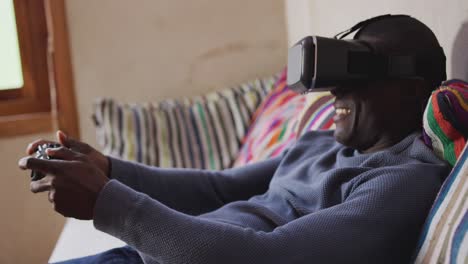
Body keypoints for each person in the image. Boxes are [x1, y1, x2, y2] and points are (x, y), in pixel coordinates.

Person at [19, 15, 451, 264]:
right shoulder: (323, 142)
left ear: (411, 91)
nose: (335, 90)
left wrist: (106, 202)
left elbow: (269, 259)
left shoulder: (401, 181)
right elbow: (218, 188)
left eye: (360, 73)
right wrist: (106, 168)